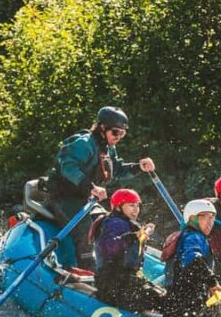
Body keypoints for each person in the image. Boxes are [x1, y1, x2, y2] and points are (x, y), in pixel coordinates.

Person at [46, 106, 155, 270]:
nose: (118, 137)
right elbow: (68, 167)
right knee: (86, 229)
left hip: (84, 200)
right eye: (115, 132)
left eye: (122, 134)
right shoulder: (84, 143)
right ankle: (88, 270)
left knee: (107, 222)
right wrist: (91, 187)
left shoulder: (108, 148)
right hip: (64, 197)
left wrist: (139, 167)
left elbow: (117, 170)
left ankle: (114, 267)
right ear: (102, 128)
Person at [161, 199, 221, 317]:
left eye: (212, 217)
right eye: (205, 216)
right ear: (192, 218)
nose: (210, 222)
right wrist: (212, 281)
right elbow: (193, 260)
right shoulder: (193, 237)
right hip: (184, 306)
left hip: (182, 303)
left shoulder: (193, 237)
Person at [90, 189, 165, 313]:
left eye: (137, 206)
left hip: (122, 280)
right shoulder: (115, 223)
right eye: (131, 205)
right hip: (112, 283)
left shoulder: (125, 223)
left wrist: (140, 234)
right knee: (160, 300)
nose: (136, 209)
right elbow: (107, 246)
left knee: (160, 296)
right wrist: (134, 236)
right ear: (118, 207)